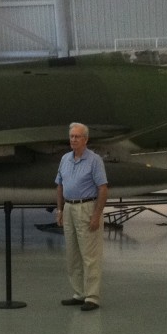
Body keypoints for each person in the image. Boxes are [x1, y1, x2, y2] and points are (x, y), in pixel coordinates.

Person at [55, 122, 109, 311]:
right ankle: (79, 293)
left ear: (86, 139)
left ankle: (92, 297)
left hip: (87, 208)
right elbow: (59, 185)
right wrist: (60, 210)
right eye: (71, 137)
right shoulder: (65, 159)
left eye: (77, 136)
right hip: (69, 207)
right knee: (73, 255)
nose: (73, 140)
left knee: (90, 255)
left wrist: (97, 215)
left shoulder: (94, 160)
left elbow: (103, 188)